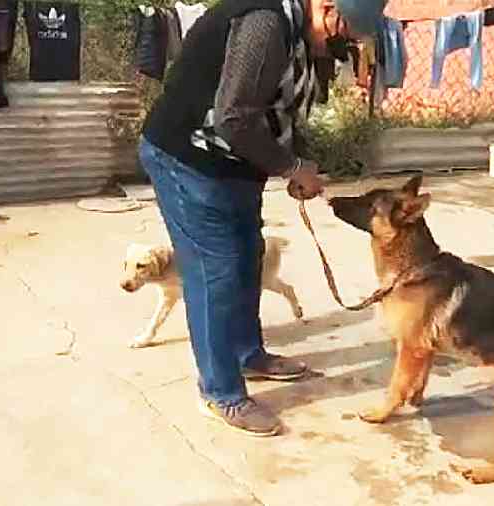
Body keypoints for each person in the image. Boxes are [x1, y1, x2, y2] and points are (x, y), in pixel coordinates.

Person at [138, 0, 386, 437]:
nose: (343, 43)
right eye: (343, 29)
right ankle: (220, 393)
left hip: (234, 165)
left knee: (248, 256)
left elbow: (279, 110)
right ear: (327, 6)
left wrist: (298, 158)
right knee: (215, 270)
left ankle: (247, 353)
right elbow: (234, 117)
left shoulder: (301, 35)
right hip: (188, 160)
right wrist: (289, 168)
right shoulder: (265, 24)